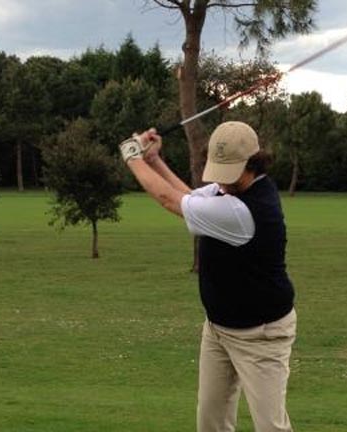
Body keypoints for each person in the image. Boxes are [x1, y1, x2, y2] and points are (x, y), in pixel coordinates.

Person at [119, 121, 296, 432]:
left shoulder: (247, 211)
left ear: (253, 165)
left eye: (230, 174)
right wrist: (153, 160)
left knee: (271, 427)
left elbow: (169, 200)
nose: (221, 183)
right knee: (210, 423)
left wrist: (132, 156)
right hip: (217, 329)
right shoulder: (228, 190)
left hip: (261, 335)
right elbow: (190, 198)